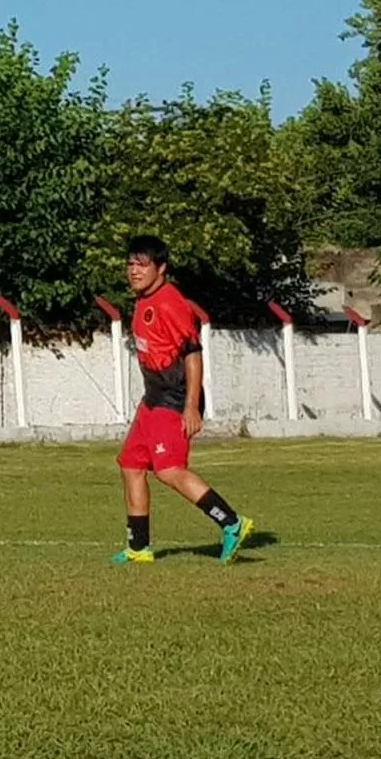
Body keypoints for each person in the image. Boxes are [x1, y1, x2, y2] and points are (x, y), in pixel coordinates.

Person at [113, 235, 253, 565]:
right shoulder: (143, 299)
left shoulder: (169, 302)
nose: (134, 271)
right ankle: (139, 547)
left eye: (142, 264)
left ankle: (232, 523)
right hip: (153, 399)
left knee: (170, 470)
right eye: (131, 263)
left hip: (174, 400)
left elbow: (192, 353)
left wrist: (191, 406)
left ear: (161, 269)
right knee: (131, 465)